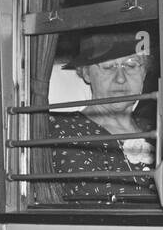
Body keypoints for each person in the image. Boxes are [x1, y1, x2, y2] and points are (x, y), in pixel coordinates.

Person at [50, 28, 156, 202]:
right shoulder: (65, 131)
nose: (120, 78)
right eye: (108, 66)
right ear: (85, 73)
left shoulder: (157, 128)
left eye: (131, 65)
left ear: (144, 72)